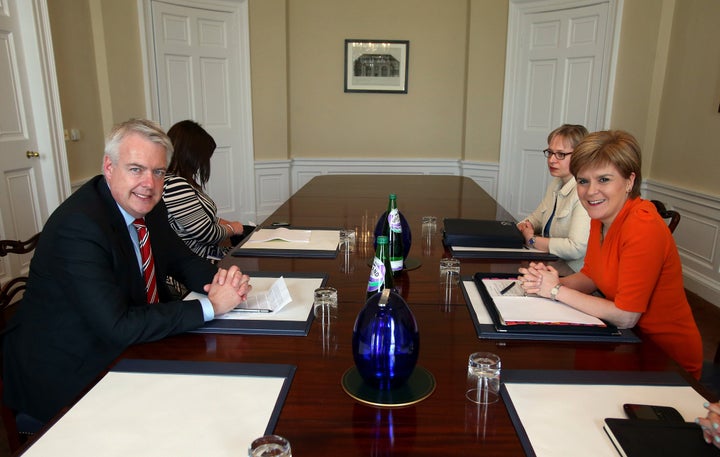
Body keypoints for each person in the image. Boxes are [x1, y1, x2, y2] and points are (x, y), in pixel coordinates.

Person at [2, 119, 251, 424]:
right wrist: (211, 305)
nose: (148, 182)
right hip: (70, 367)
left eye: (158, 172)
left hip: (129, 343)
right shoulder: (79, 226)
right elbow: (116, 325)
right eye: (136, 169)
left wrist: (222, 282)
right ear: (109, 167)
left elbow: (182, 260)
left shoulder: (149, 204)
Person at [517, 130, 703, 379]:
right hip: (624, 341)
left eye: (603, 179)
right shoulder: (601, 217)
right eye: (583, 181)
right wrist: (546, 282)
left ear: (629, 181)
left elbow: (626, 316)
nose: (591, 192)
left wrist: (555, 291)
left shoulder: (643, 226)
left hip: (664, 359)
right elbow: (591, 276)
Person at [163, 120, 246, 259]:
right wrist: (233, 228)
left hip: (204, 255)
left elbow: (200, 217)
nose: (204, 163)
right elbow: (207, 234)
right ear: (192, 155)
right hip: (197, 260)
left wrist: (225, 223)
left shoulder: (176, 181)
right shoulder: (175, 186)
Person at [517, 124, 591, 271]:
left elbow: (575, 248)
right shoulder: (556, 183)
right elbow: (536, 218)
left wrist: (532, 240)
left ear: (580, 156)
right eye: (550, 152)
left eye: (560, 154)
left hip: (571, 274)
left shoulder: (584, 192)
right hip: (549, 265)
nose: (551, 160)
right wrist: (523, 225)